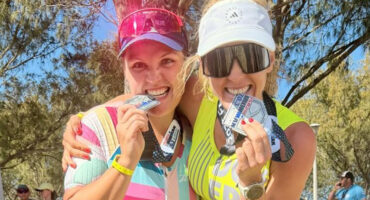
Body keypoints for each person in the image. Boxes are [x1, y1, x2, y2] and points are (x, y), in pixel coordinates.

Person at [62, 0, 316, 199]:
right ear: (203, 66)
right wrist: (85, 120)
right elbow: (151, 91)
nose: (235, 75)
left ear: (270, 59)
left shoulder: (294, 139)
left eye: (251, 57)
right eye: (220, 61)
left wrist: (251, 184)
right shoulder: (198, 98)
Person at [63, 7, 196, 200]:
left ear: (185, 64)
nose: (154, 77)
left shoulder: (194, 128)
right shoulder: (98, 125)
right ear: (125, 72)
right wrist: (125, 163)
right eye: (139, 65)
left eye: (167, 61)